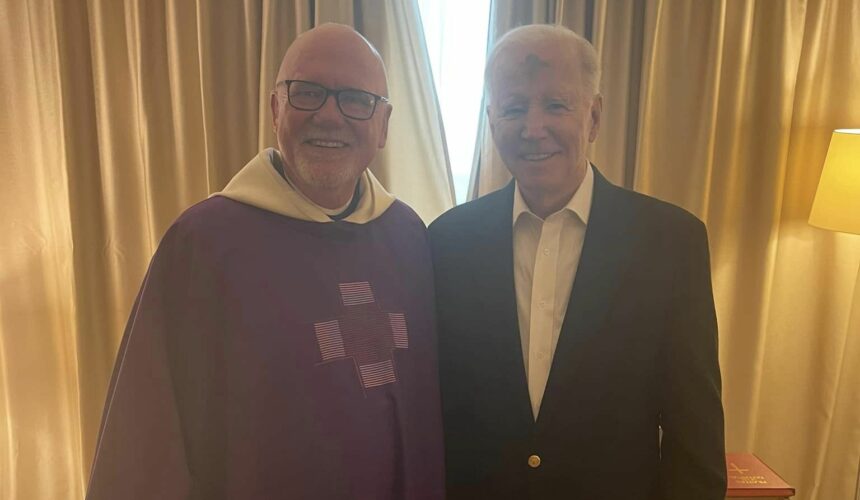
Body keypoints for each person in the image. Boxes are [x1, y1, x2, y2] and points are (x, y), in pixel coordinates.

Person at [87, 23, 444, 500]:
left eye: (356, 100)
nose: (329, 115)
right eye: (308, 93)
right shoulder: (205, 245)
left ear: (383, 125)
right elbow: (148, 432)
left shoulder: (408, 238)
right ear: (276, 109)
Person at [429, 24, 726, 499]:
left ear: (594, 117)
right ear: (491, 120)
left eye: (555, 105)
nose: (533, 128)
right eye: (513, 108)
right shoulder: (446, 241)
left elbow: (695, 434)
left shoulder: (671, 242)